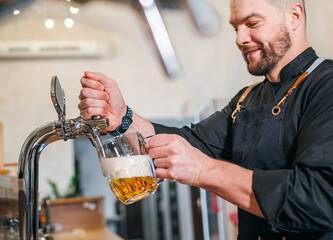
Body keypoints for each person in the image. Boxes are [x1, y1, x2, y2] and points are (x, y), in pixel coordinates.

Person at [78, 0, 333, 239]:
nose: (240, 39)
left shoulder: (326, 85)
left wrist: (204, 170)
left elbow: (318, 199)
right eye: (235, 27)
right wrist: (123, 118)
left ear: (294, 16)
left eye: (252, 24)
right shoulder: (246, 98)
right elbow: (189, 143)